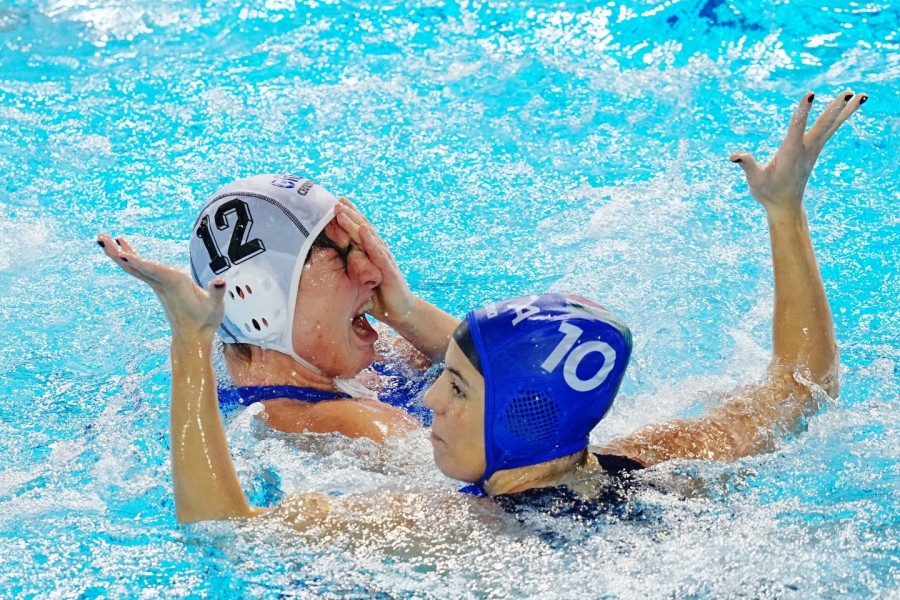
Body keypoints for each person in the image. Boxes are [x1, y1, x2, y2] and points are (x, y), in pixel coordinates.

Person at [98, 89, 864, 526]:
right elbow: (798, 389)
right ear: (265, 300)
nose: (373, 272)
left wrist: (186, 344)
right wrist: (784, 213)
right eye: (343, 256)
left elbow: (225, 534)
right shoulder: (641, 466)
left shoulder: (464, 525)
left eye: (455, 385)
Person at [99, 174, 459, 443]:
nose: (374, 273)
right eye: (345, 257)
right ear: (258, 298)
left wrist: (405, 312)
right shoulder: (354, 427)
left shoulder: (346, 360)